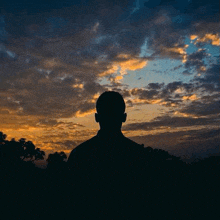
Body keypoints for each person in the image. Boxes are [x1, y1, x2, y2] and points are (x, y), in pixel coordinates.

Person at [67, 91, 145, 218]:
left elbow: (71, 202)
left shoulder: (80, 154)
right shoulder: (139, 155)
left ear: (96, 117)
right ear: (124, 117)